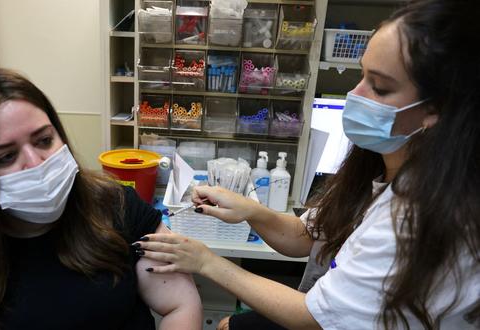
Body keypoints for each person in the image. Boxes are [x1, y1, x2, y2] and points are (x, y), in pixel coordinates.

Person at [134, 0, 480, 329]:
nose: (354, 96)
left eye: (380, 87)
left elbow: (312, 318)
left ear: (437, 108)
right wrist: (251, 211)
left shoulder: (421, 217)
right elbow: (307, 237)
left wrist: (207, 261)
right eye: (361, 76)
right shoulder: (378, 168)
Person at [0, 68, 202, 330]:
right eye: (6, 156)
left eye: (43, 140)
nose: (36, 162)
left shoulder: (116, 206)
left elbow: (180, 304)